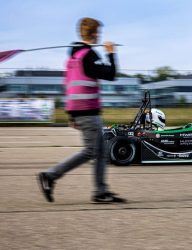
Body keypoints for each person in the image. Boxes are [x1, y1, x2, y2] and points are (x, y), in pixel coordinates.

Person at [37, 17, 126, 203]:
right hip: (88, 112)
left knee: (100, 152)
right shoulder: (88, 55)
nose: (99, 36)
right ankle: (51, 175)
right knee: (91, 151)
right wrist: (110, 53)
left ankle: (100, 192)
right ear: (94, 34)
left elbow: (68, 85)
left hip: (83, 111)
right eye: (98, 33)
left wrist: (71, 115)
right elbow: (110, 74)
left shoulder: (73, 57)